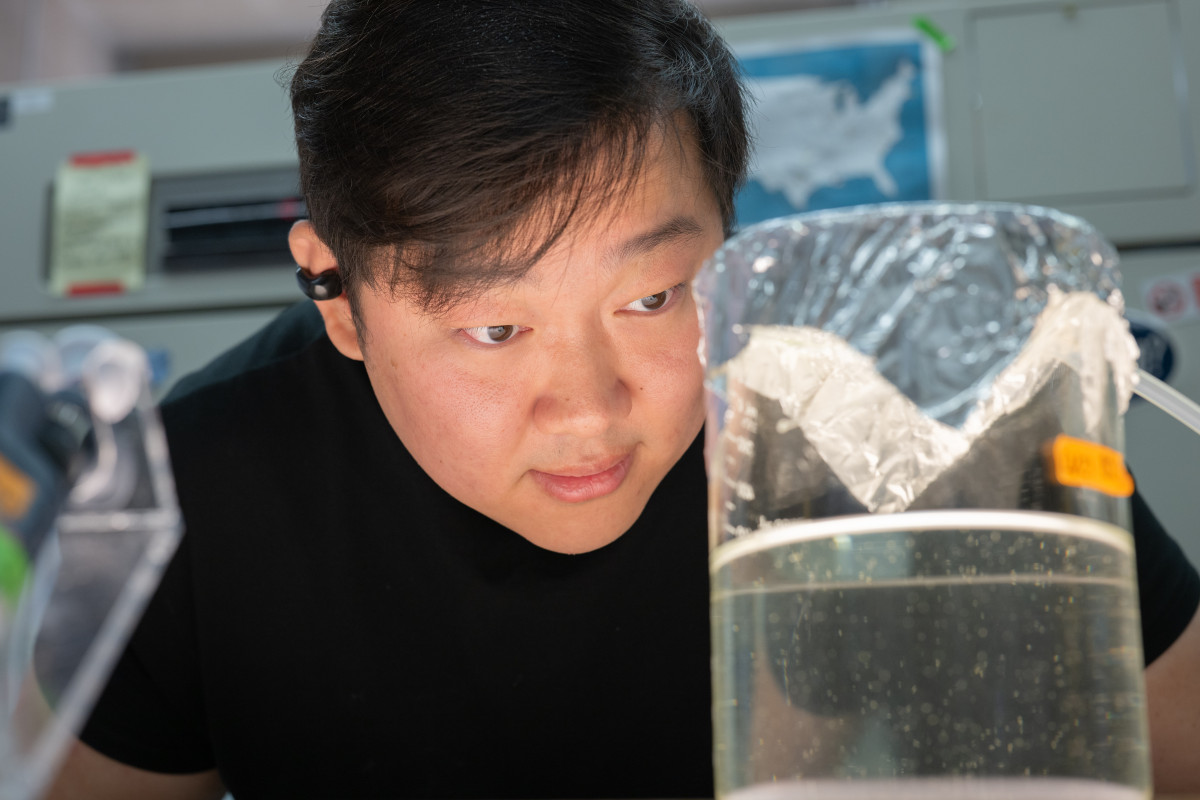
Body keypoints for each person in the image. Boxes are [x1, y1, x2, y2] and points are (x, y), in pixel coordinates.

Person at [46, 1, 1200, 797]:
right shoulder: (186, 497)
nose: (590, 409)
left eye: (653, 296)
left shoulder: (917, 411)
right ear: (337, 293)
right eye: (494, 327)